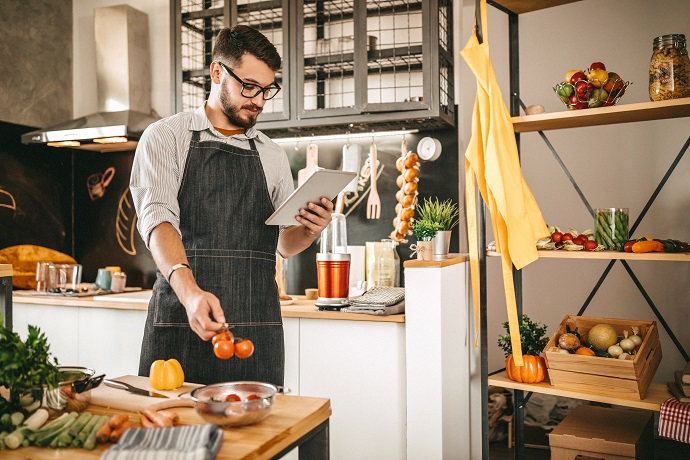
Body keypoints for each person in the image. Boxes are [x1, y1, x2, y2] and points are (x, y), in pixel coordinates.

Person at [130, 25, 333, 386]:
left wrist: (310, 229)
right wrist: (191, 296)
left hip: (257, 330)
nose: (258, 100)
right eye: (249, 86)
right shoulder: (165, 137)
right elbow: (158, 221)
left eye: (266, 90)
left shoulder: (272, 154)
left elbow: (284, 243)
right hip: (182, 317)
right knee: (172, 437)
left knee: (262, 437)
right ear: (217, 72)